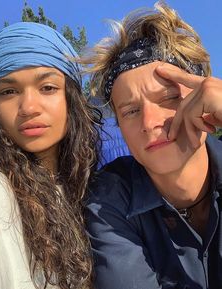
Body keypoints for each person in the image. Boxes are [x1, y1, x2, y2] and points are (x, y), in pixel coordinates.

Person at [81, 2, 222, 289]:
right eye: (130, 111)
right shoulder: (108, 198)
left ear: (204, 98)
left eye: (168, 98)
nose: (149, 122)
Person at [0, 22, 100, 289]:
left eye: (47, 87)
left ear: (71, 97)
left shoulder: (93, 189)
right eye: (8, 91)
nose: (28, 107)